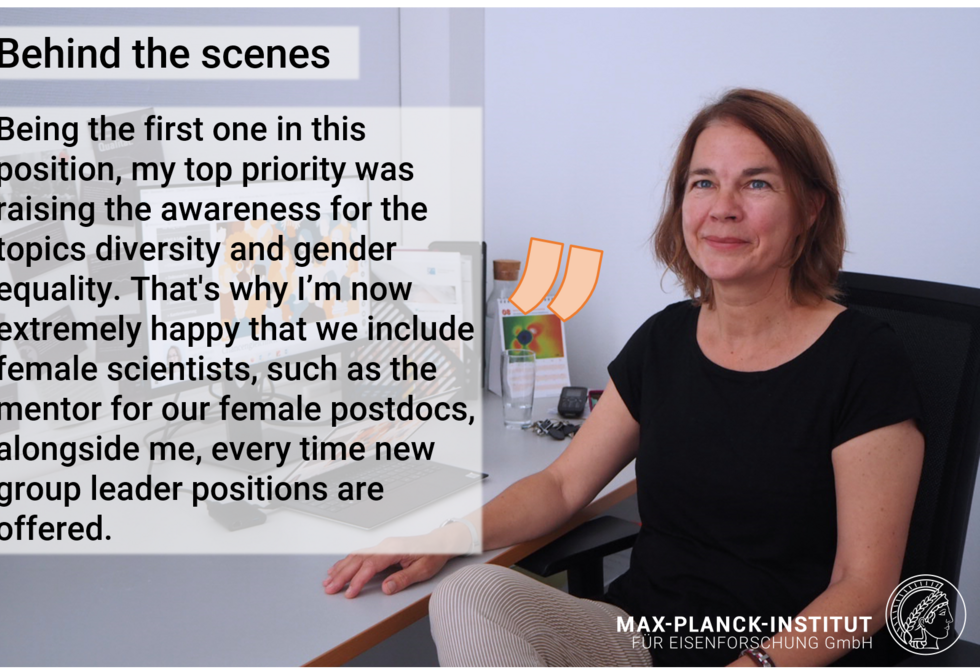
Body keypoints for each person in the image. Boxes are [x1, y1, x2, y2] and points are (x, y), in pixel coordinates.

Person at [323, 89, 925, 668]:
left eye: (757, 183)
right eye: (703, 183)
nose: (723, 207)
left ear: (811, 209)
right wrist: (446, 535)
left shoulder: (863, 359)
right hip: (639, 638)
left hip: (783, 655)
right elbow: (561, 485)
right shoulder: (664, 341)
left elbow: (865, 590)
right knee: (470, 592)